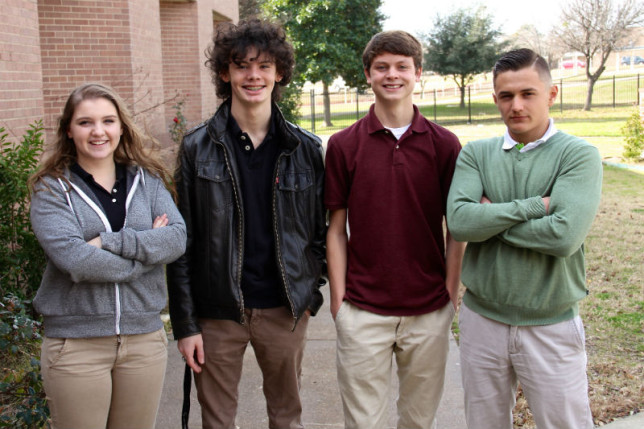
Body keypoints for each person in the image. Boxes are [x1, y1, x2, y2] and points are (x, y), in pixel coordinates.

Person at [167, 19, 326, 429]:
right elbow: (180, 243)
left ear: (280, 73)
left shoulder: (306, 149)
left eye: (264, 66)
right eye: (241, 65)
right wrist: (186, 324)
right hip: (217, 313)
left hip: (284, 309)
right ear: (225, 73)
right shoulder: (196, 147)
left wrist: (308, 294)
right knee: (217, 422)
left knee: (287, 418)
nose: (253, 76)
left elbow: (320, 231)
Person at [446, 48, 602, 429]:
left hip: (550, 323)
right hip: (482, 320)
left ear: (551, 94)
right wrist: (534, 207)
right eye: (505, 95)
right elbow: (462, 224)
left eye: (528, 93)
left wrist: (491, 216)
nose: (516, 105)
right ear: (496, 98)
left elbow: (564, 236)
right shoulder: (477, 155)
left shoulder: (578, 155)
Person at [324, 30, 465, 428]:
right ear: (367, 74)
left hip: (429, 309)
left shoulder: (444, 144)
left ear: (418, 73)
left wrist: (451, 294)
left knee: (418, 421)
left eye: (402, 66)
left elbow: (456, 228)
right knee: (362, 422)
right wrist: (340, 302)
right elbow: (336, 229)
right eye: (382, 67)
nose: (392, 75)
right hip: (363, 310)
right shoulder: (344, 145)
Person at [28, 82, 187, 429]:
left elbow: (176, 240)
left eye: (108, 121)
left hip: (143, 341)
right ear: (69, 130)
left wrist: (104, 241)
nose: (98, 131)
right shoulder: (51, 189)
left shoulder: (147, 181)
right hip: (75, 346)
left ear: (121, 127)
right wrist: (146, 254)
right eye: (85, 122)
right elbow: (75, 260)